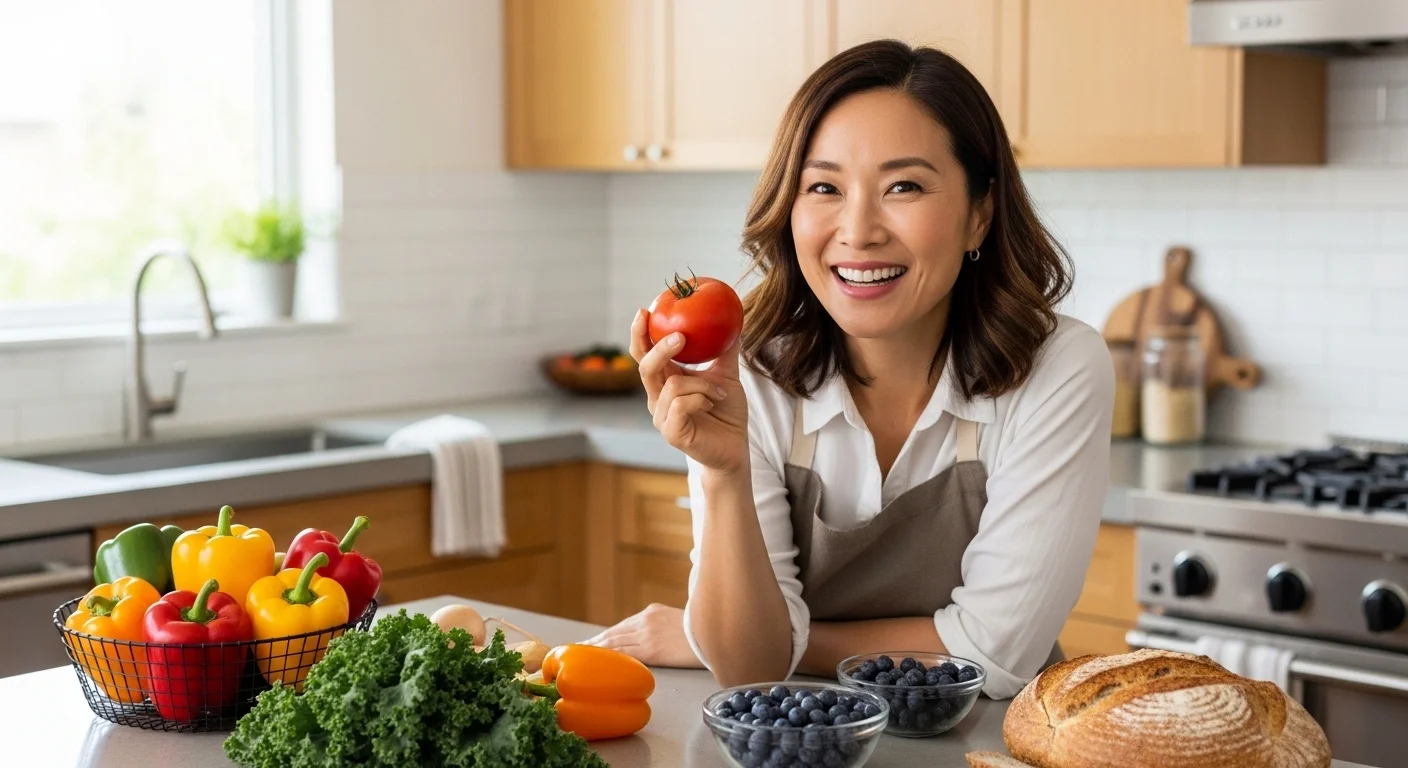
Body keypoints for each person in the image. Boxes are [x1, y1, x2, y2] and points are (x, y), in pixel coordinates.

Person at [583, 39, 1114, 700]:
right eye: (825, 187)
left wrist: (739, 639)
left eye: (904, 187)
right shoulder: (745, 371)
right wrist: (724, 474)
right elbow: (749, 671)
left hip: (980, 742)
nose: (858, 230)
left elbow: (994, 657)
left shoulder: (1059, 367)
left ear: (981, 213)